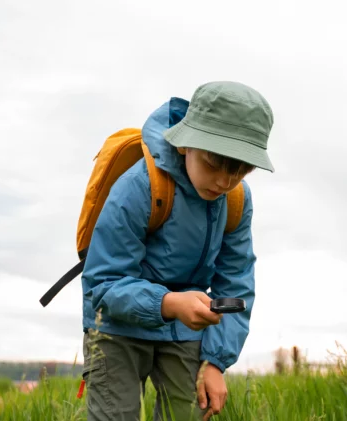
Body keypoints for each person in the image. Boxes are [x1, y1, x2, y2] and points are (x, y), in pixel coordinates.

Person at [80, 81, 275, 421]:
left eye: (241, 169)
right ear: (185, 144)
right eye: (214, 162)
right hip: (116, 327)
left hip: (186, 329)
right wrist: (168, 303)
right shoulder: (138, 187)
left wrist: (216, 362)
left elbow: (236, 284)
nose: (224, 182)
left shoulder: (236, 201)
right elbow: (103, 283)